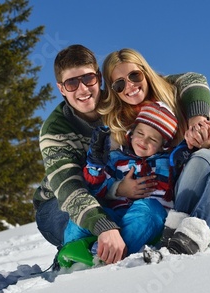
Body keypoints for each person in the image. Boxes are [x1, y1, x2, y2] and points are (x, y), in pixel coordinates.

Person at [33, 44, 210, 265]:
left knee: (148, 213)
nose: (82, 90)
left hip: (111, 194)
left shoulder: (118, 96)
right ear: (61, 88)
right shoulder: (56, 129)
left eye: (88, 79)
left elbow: (190, 80)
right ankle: (74, 257)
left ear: (98, 78)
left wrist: (197, 118)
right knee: (78, 221)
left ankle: (115, 249)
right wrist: (105, 223)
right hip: (58, 201)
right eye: (72, 83)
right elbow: (70, 190)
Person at [99, 48, 210, 255]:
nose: (130, 86)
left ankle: (182, 230)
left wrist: (208, 144)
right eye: (119, 84)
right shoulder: (119, 127)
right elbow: (104, 174)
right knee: (206, 159)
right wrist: (119, 189)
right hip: (176, 201)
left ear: (146, 72)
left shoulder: (183, 104)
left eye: (134, 75)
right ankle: (184, 239)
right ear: (113, 90)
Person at [64, 101, 178, 256]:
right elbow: (98, 188)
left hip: (147, 221)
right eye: (140, 133)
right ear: (131, 133)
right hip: (116, 217)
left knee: (150, 210)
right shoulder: (117, 158)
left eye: (153, 140)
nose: (143, 141)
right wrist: (95, 165)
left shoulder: (168, 162)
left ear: (162, 145)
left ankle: (113, 254)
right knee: (84, 215)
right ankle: (68, 252)